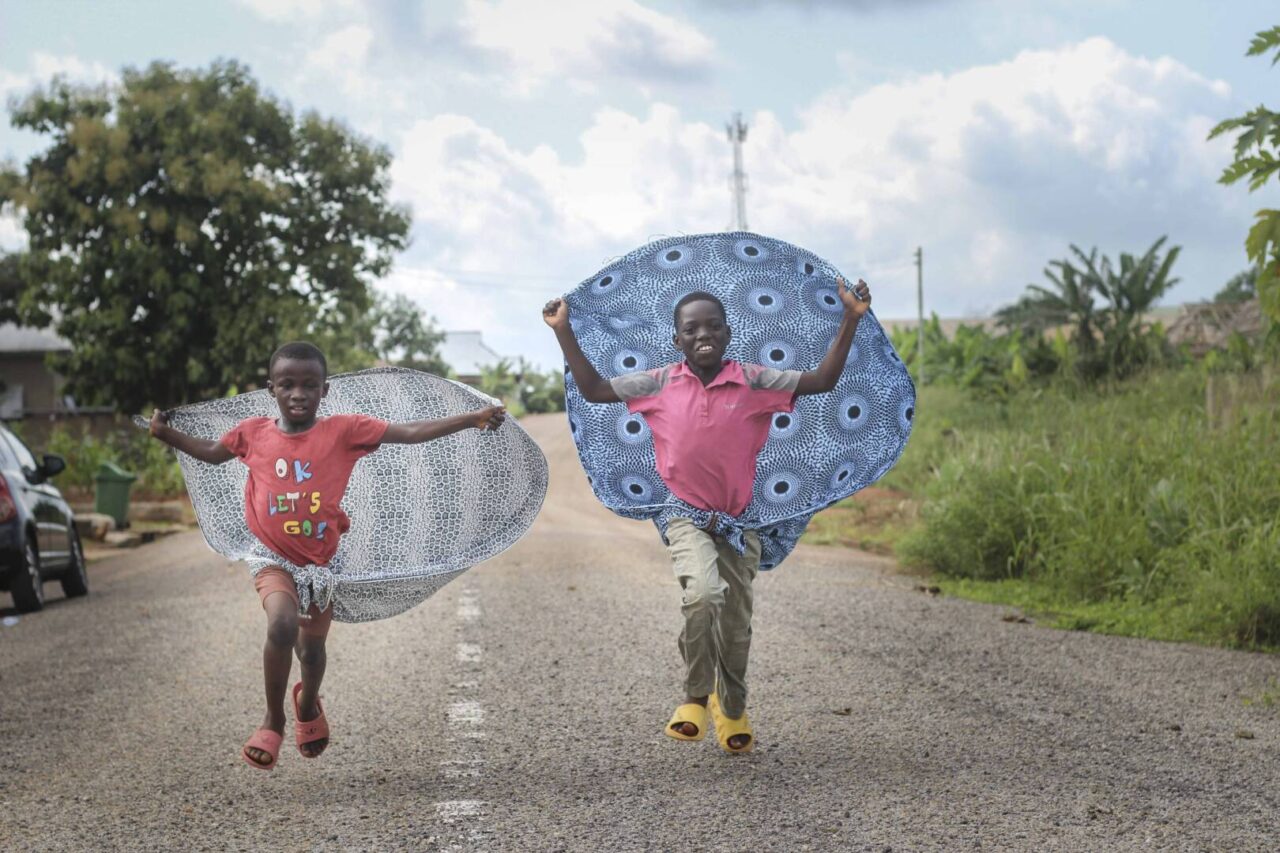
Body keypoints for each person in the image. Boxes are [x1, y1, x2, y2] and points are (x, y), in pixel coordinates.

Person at [543, 277, 871, 752]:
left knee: (736, 628)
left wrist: (850, 318)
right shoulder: (656, 383)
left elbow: (823, 381)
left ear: (728, 333)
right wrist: (562, 330)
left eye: (713, 327)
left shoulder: (756, 381)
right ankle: (695, 696)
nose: (704, 336)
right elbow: (593, 389)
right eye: (692, 329)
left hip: (741, 523)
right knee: (702, 596)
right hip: (685, 515)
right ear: (677, 340)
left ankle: (732, 709)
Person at [149, 341, 505, 770]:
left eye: (309, 385)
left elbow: (408, 433)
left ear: (325, 391)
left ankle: (309, 701)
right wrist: (166, 433)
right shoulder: (252, 433)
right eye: (287, 385)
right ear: (271, 390)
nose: (298, 393)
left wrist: (471, 418)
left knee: (311, 652)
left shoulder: (344, 430)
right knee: (281, 625)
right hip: (271, 557)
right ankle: (273, 719)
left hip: (319, 567)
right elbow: (209, 453)